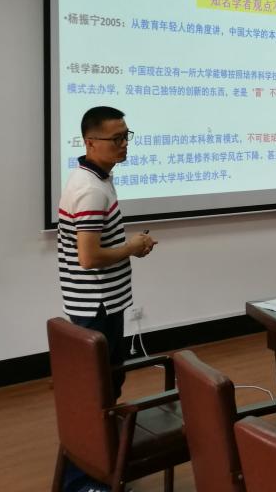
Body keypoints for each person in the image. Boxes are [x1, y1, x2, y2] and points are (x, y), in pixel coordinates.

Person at [57, 107, 155, 492]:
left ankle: (101, 466)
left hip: (101, 303)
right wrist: (132, 246)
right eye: (116, 138)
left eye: (127, 136)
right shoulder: (91, 190)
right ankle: (84, 480)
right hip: (97, 307)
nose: (124, 144)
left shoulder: (96, 178)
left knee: (105, 388)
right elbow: (89, 257)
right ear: (90, 142)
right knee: (96, 394)